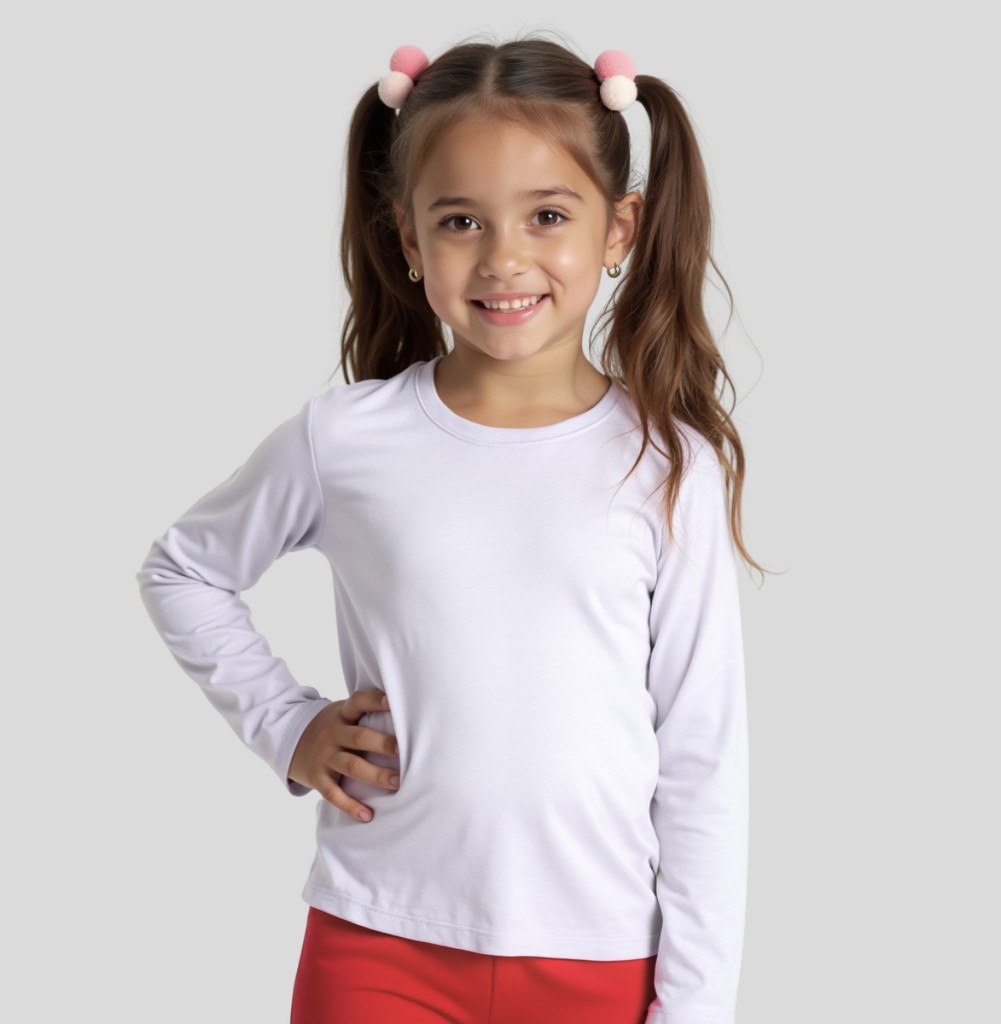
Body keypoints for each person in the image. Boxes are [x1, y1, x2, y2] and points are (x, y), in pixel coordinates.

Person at [138, 36, 758, 1024]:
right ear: (408, 237)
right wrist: (288, 725)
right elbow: (184, 569)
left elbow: (701, 760)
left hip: (599, 957)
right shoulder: (347, 438)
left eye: (547, 215)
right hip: (378, 944)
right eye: (461, 220)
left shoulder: (666, 466)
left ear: (619, 227)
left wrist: (695, 1008)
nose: (504, 257)